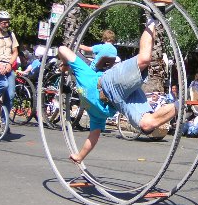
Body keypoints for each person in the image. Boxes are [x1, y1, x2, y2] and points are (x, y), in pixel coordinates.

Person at [62, 19, 177, 164]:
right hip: (120, 103)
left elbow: (63, 49)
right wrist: (79, 157)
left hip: (109, 83)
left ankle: (151, 21)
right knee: (147, 125)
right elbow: (93, 137)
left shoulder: (82, 73)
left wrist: (65, 65)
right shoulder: (93, 113)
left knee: (144, 60)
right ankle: (181, 105)